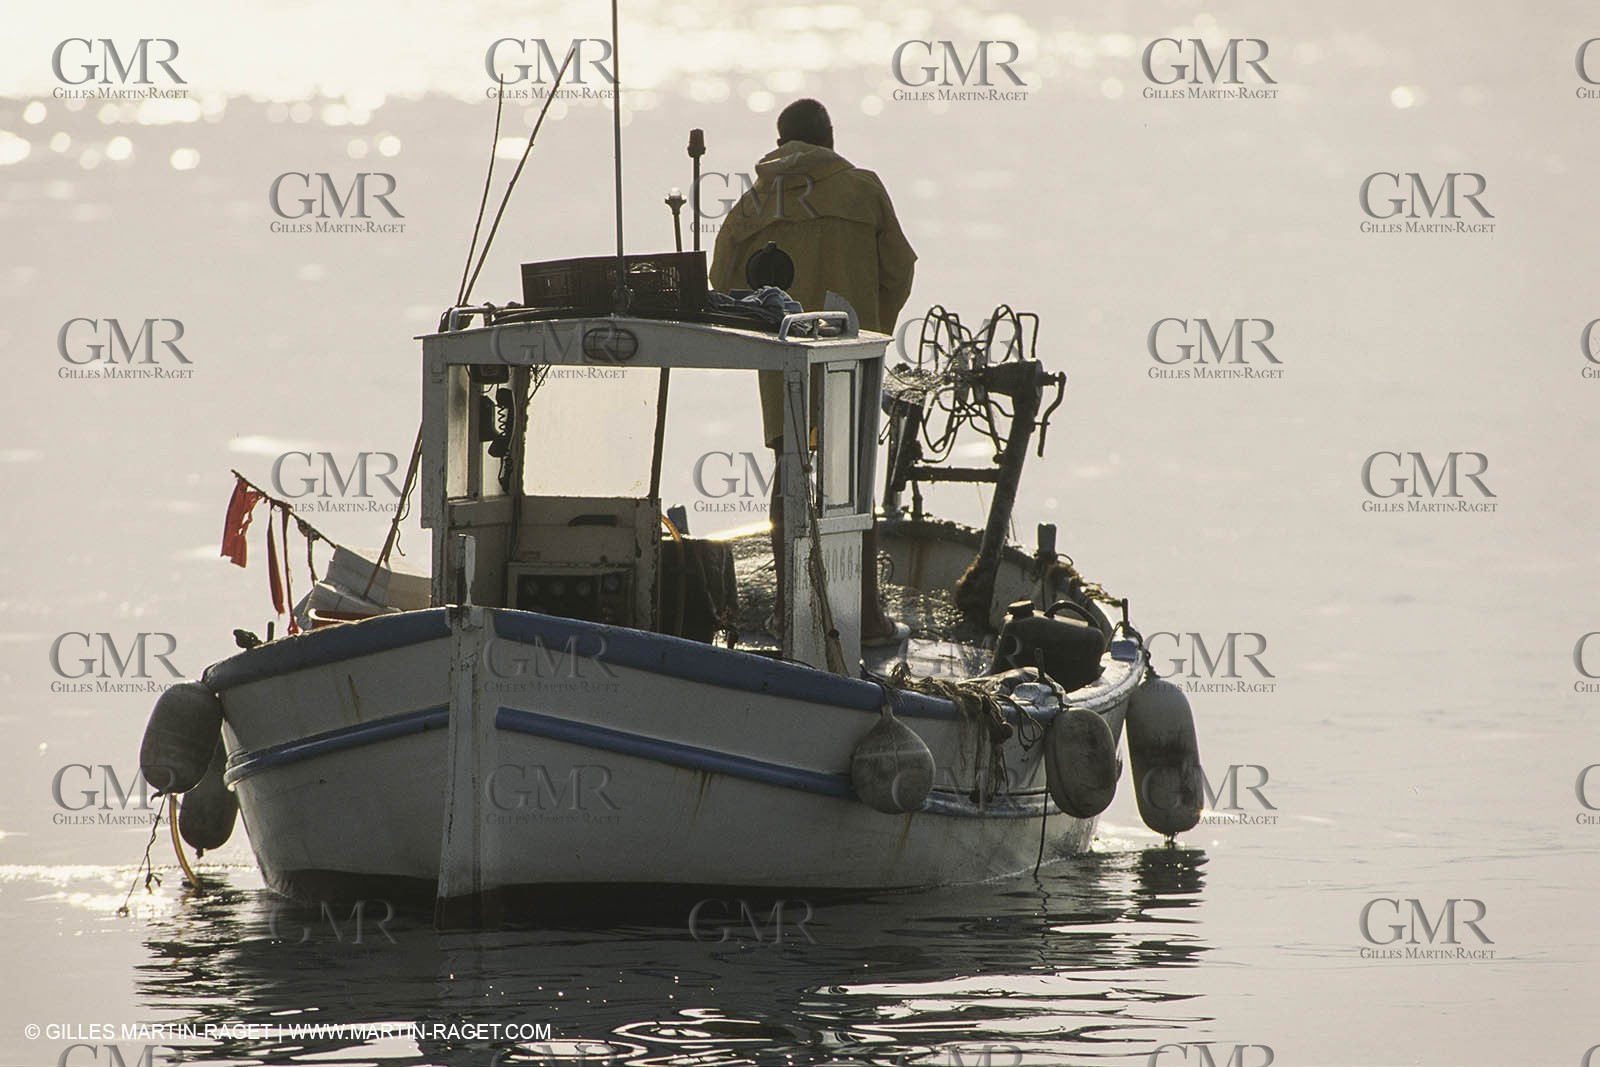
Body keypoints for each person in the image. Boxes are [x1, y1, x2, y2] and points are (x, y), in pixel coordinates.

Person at [709, 98, 916, 646]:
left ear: (779, 142)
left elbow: (721, 281)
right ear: (830, 136)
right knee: (852, 475)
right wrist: (874, 326)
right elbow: (901, 268)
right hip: (850, 353)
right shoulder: (863, 189)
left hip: (783, 360)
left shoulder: (754, 204)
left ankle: (785, 609)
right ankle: (865, 617)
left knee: (789, 470)